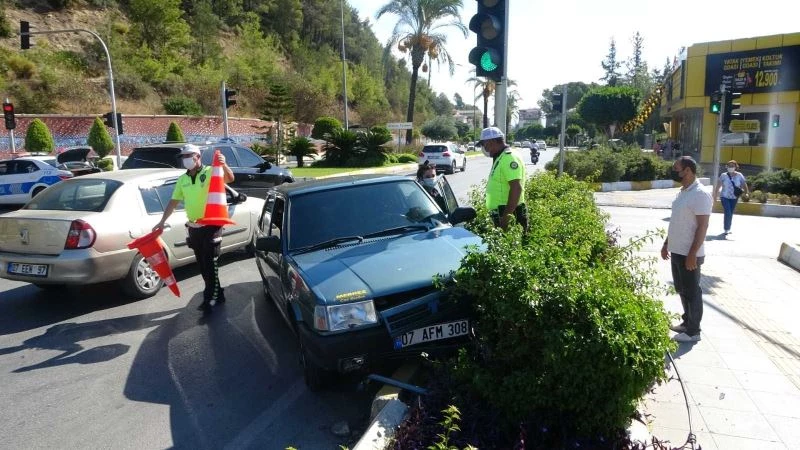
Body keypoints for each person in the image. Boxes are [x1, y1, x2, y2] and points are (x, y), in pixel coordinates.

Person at [153, 144, 235, 313]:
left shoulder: (210, 171)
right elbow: (173, 202)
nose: (185, 159)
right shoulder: (183, 180)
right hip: (194, 226)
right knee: (203, 264)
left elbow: (229, 179)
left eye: (188, 156)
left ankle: (209, 299)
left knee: (210, 262)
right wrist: (162, 221)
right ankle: (218, 293)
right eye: (183, 157)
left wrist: (224, 164)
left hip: (212, 224)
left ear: (197, 156)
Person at [661, 156, 712, 342]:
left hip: (690, 253)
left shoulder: (700, 194)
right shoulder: (683, 191)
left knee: (692, 291)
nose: (674, 171)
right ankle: (686, 322)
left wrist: (692, 254)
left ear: (688, 170)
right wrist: (667, 243)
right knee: (682, 289)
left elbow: (702, 226)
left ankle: (693, 331)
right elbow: (677, 221)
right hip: (677, 250)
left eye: (677, 169)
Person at [480, 126, 527, 231]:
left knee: (511, 245)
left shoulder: (509, 157)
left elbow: (516, 188)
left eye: (483, 144)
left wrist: (506, 218)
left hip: (508, 212)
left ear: (491, 142)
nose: (484, 148)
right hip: (502, 212)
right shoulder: (500, 157)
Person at [713, 160, 749, 235]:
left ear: (736, 167)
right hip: (724, 197)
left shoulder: (739, 175)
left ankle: (728, 228)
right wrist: (715, 195)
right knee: (728, 212)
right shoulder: (723, 175)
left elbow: (744, 184)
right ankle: (726, 229)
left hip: (734, 197)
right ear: (727, 167)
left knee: (730, 212)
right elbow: (718, 185)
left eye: (732, 166)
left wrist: (746, 193)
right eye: (729, 166)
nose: (730, 167)